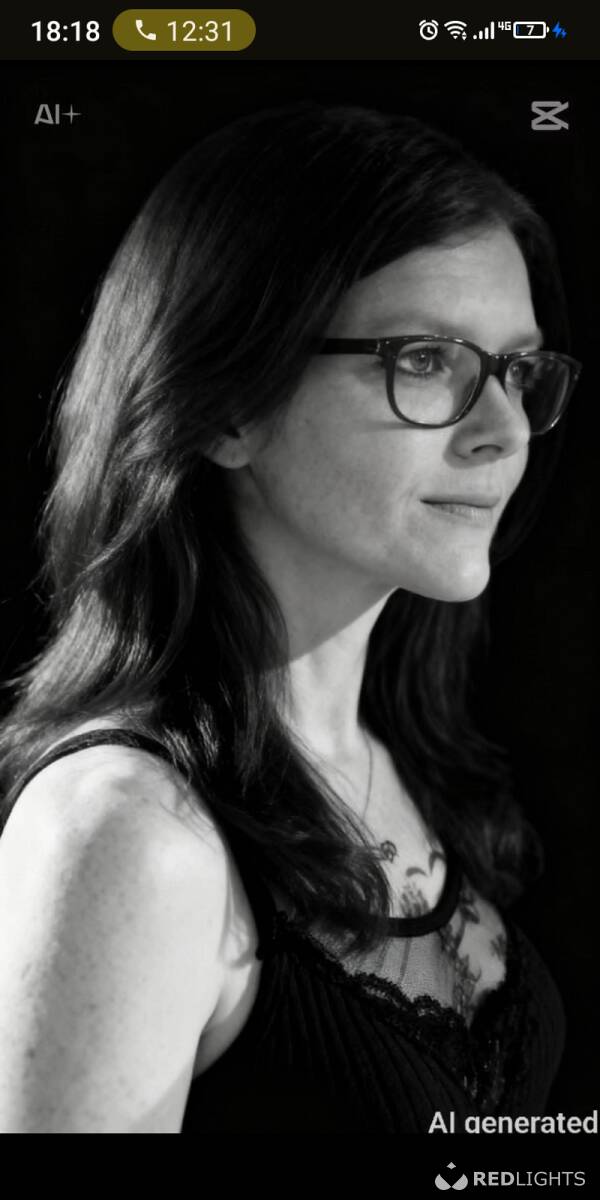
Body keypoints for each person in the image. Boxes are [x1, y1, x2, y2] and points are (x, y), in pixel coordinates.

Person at [0, 101, 582, 1134]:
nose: (505, 430)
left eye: (518, 371)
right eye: (426, 359)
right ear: (226, 403)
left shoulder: (411, 765)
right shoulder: (128, 836)